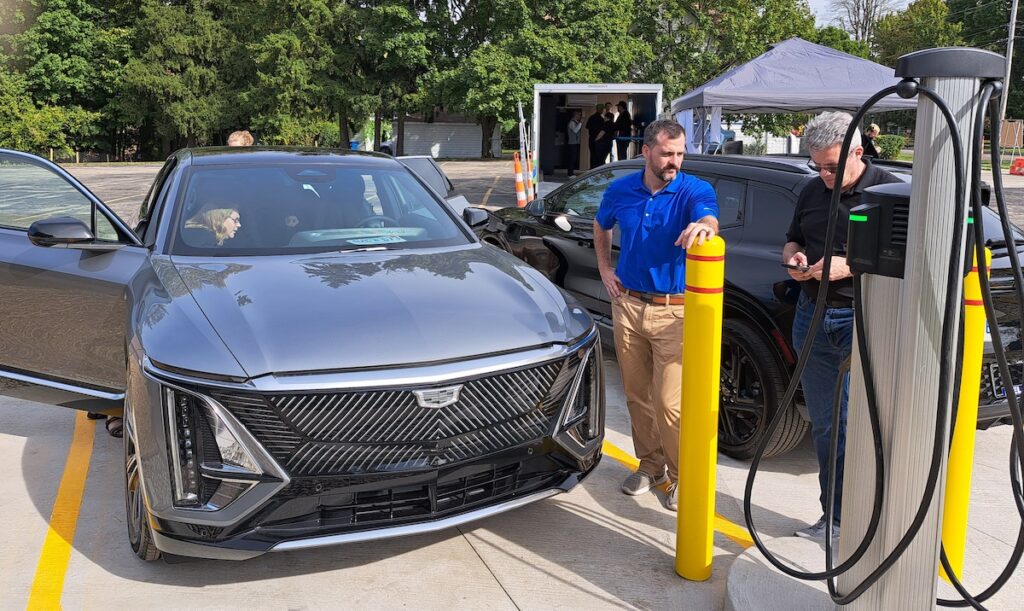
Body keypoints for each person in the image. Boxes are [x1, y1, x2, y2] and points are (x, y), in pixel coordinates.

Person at [783, 111, 899, 539]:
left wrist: (848, 267)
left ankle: (863, 521)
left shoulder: (889, 192)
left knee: (858, 423)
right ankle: (832, 519)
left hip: (863, 318)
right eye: (817, 165)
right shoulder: (812, 190)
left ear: (858, 150)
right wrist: (793, 259)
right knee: (827, 423)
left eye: (832, 166)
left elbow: (906, 258)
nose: (824, 174)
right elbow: (793, 237)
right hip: (811, 315)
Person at [593, 119, 719, 511]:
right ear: (646, 151)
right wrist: (604, 269)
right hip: (629, 305)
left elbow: (709, 215)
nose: (675, 161)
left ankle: (682, 477)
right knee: (636, 395)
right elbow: (601, 226)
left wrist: (704, 226)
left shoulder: (693, 190)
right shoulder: (620, 190)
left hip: (674, 313)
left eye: (680, 153)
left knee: (669, 403)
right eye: (667, 153)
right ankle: (651, 467)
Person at [585, 104, 605, 169]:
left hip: (591, 138)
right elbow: (603, 130)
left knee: (592, 155)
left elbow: (587, 127)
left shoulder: (591, 117)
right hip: (598, 139)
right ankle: (597, 170)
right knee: (598, 156)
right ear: (601, 109)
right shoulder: (601, 119)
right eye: (602, 109)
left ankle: (592, 169)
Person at [566, 110, 582, 177]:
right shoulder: (572, 123)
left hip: (575, 143)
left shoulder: (575, 122)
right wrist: (580, 123)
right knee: (572, 158)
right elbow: (575, 130)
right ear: (575, 115)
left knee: (573, 158)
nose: (580, 116)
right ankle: (570, 174)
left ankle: (571, 172)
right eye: (579, 115)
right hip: (572, 143)